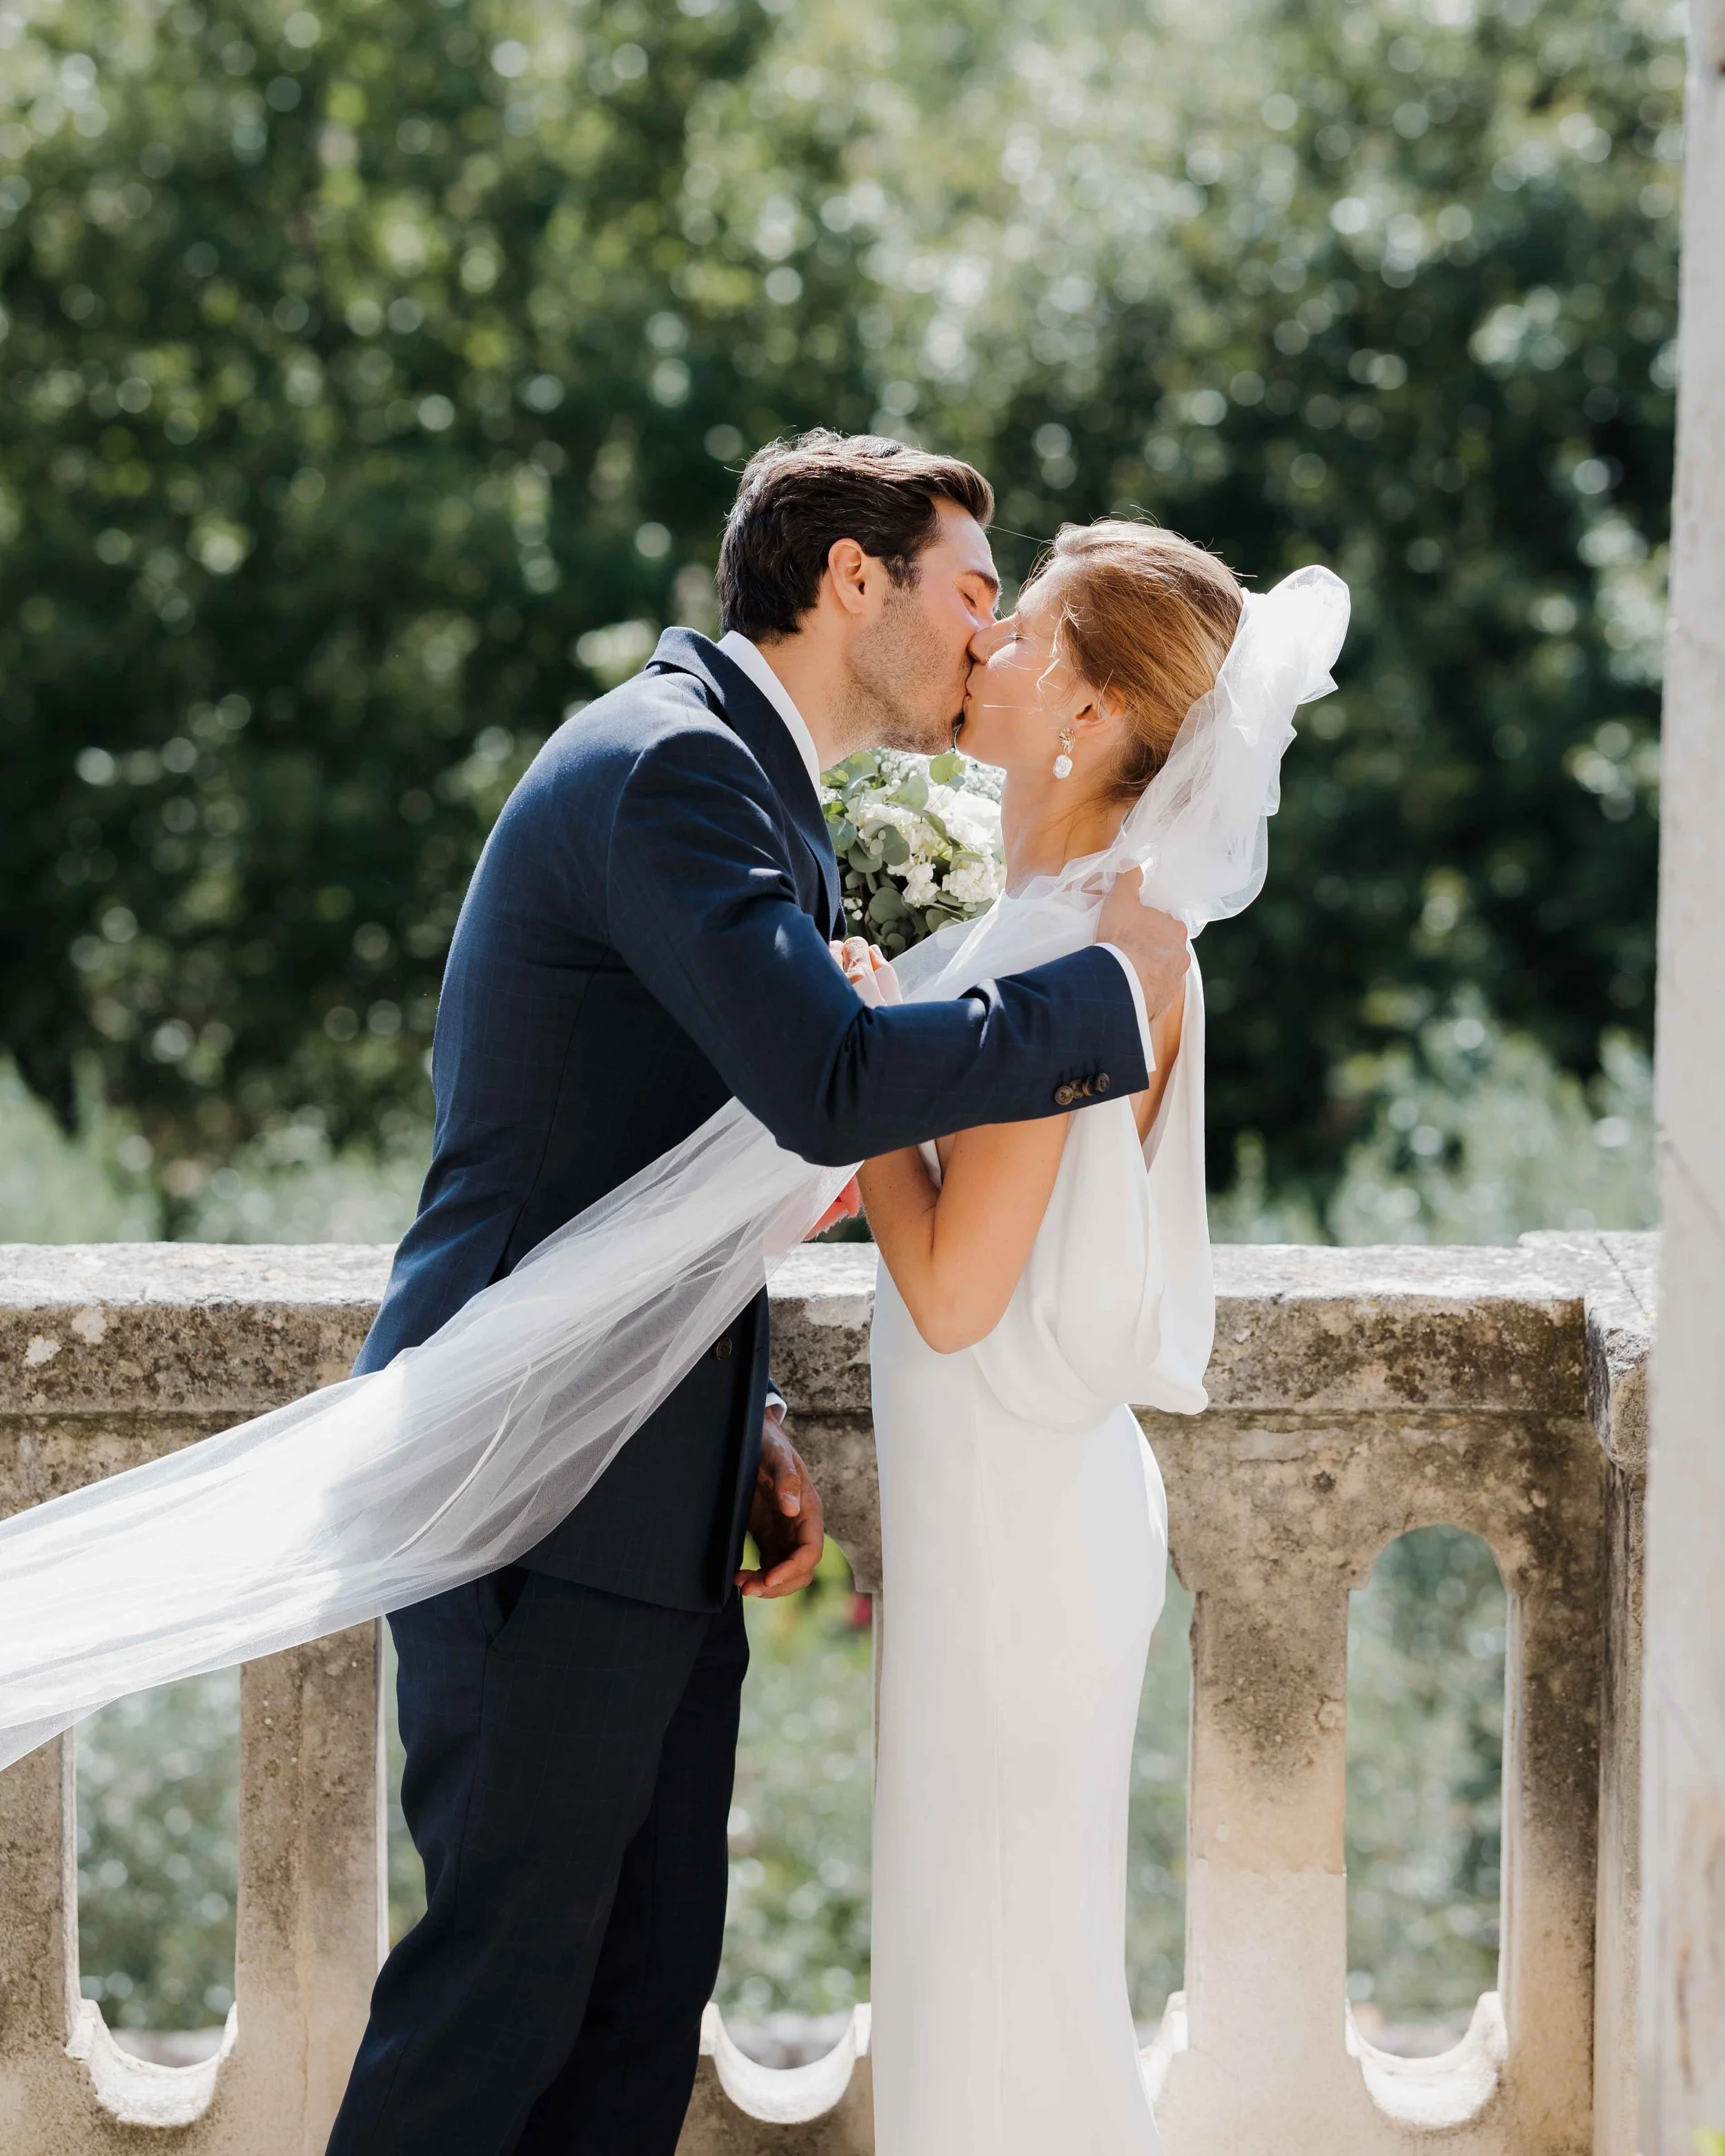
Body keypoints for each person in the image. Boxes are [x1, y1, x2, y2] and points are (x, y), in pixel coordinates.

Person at [324, 440, 1194, 2156]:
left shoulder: (744, 779)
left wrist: (760, 1415)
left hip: (651, 1487)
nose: (981, 634)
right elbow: (831, 1081)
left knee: (635, 2014)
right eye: (966, 589)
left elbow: (670, 1159)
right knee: (493, 2016)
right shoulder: (669, 771)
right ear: (850, 581)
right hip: (532, 1490)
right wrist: (1104, 1006)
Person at [850, 520, 1248, 2155]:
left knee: (992, 1981)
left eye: (1017, 633)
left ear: (1085, 717)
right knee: (985, 1967)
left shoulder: (1083, 947)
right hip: (1002, 1521)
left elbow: (949, 1290)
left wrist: (859, 1075)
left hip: (1015, 1543)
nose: (982, 648)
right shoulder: (1057, 916)